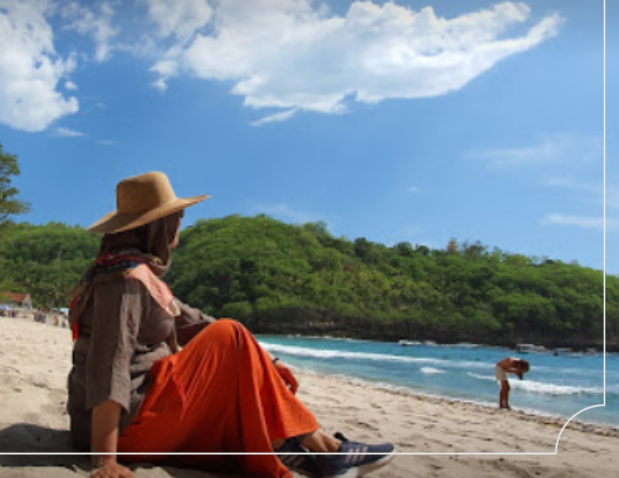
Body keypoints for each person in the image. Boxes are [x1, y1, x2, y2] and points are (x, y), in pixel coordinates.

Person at [67, 172, 395, 478]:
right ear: (159, 225)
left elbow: (192, 321)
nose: (182, 222)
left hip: (134, 415)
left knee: (228, 342)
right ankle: (327, 449)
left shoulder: (133, 272)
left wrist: (267, 364)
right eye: (178, 216)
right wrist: (105, 460)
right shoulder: (124, 280)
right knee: (231, 332)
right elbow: (110, 366)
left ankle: (289, 446)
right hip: (122, 428)